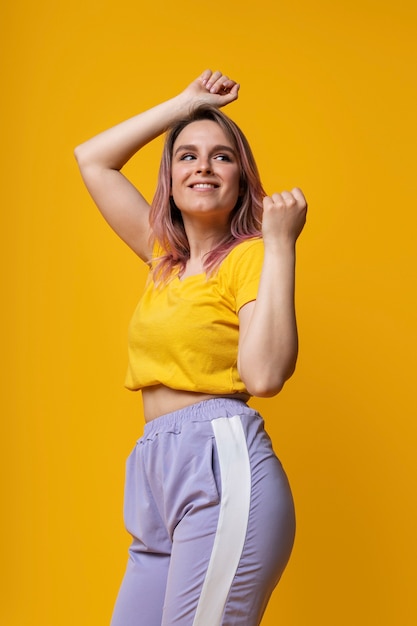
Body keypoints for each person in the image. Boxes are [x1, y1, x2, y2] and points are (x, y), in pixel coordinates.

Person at [74, 69, 307, 626]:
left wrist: (280, 245)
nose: (203, 165)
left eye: (222, 156)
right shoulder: (163, 258)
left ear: (243, 180)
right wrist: (185, 105)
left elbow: (265, 376)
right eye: (187, 156)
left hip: (218, 463)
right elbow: (93, 160)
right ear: (170, 179)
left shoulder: (250, 256)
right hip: (154, 471)